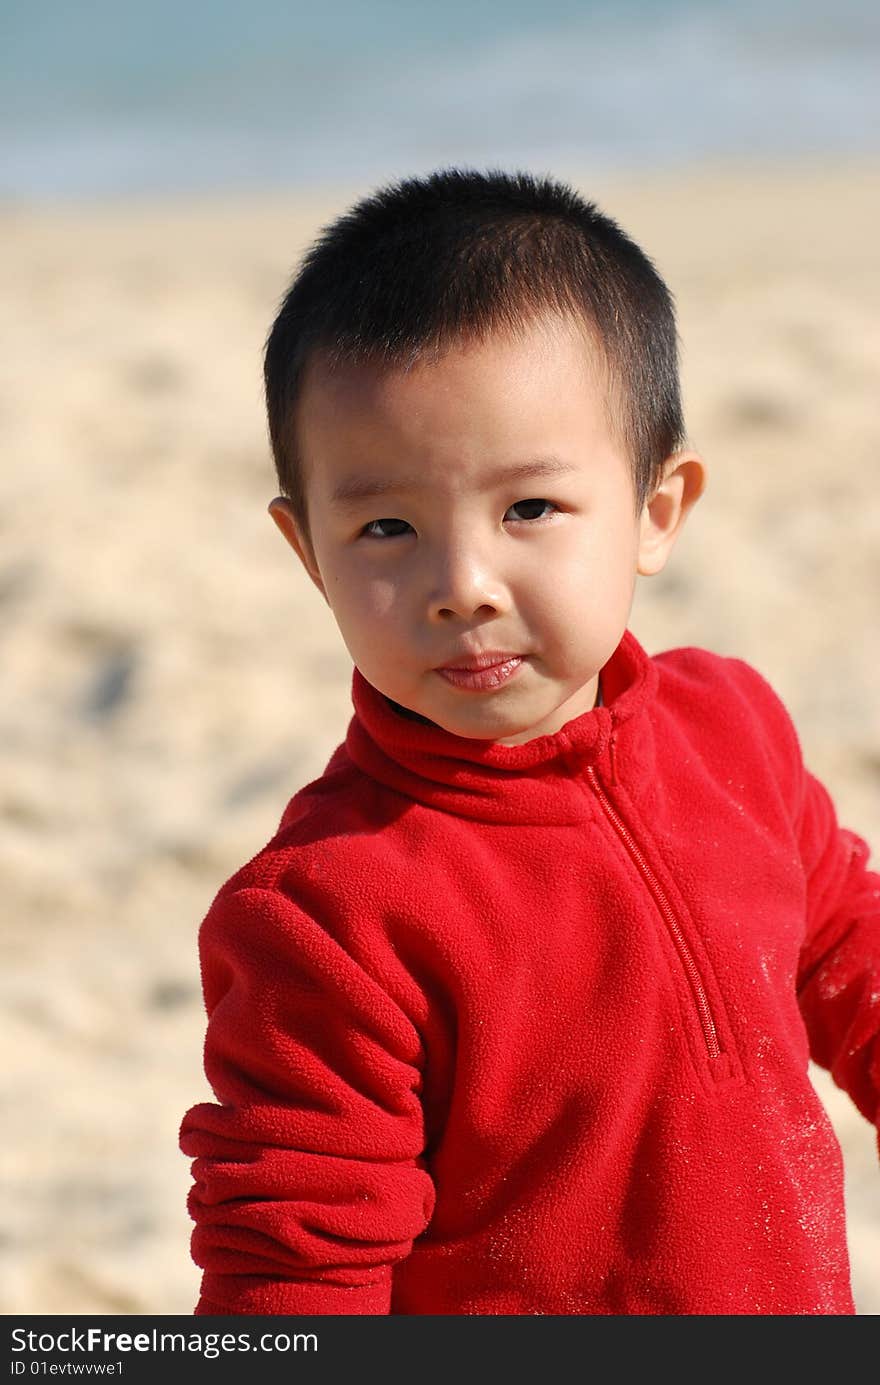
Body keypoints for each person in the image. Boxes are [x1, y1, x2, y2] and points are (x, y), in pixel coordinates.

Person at [179, 168, 879, 1316]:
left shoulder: (731, 729)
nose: (461, 586)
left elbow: (841, 943)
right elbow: (292, 1269)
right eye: (386, 527)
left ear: (657, 511)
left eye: (529, 510)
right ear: (309, 553)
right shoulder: (327, 911)